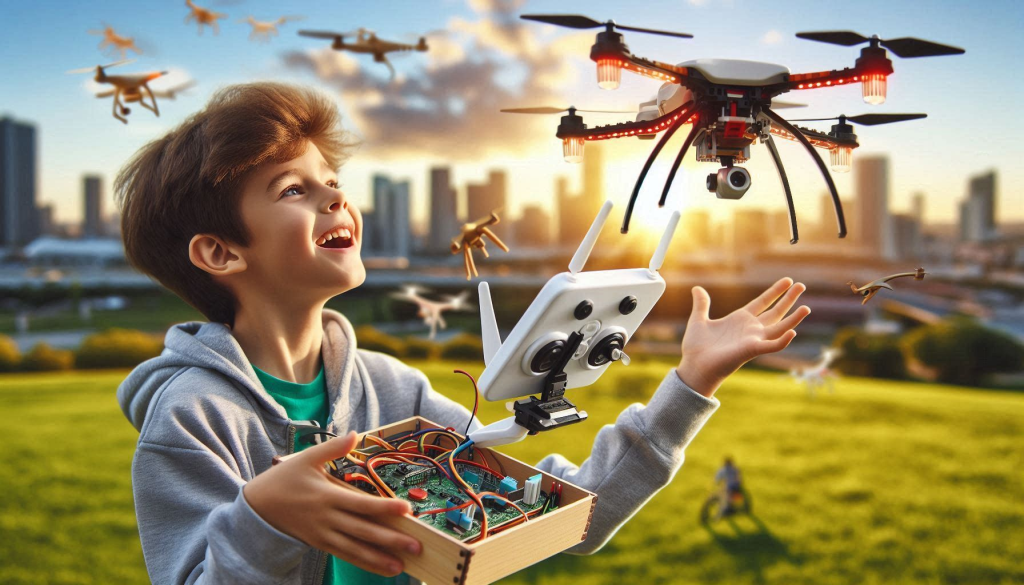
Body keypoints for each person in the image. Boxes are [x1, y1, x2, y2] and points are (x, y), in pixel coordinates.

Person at [115, 82, 810, 585]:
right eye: (292, 189)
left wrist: (690, 384)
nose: (336, 196)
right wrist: (264, 515)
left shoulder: (391, 389)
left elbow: (577, 517)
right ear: (220, 253)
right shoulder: (192, 418)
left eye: (332, 179)